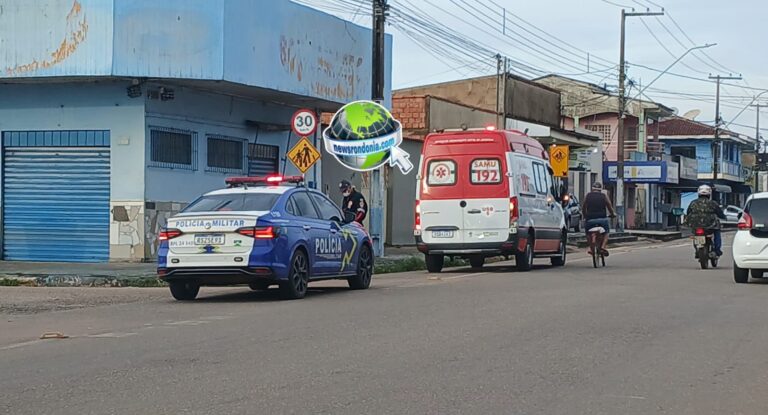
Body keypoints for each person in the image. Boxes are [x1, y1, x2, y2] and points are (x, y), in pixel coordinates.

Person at [685, 184, 725, 257]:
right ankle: (717, 250)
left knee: (695, 234)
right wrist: (724, 217)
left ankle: (697, 249)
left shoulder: (693, 203)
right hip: (711, 226)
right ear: (709, 194)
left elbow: (688, 212)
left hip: (696, 225)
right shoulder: (713, 203)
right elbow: (720, 213)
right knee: (717, 233)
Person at [582, 182, 617, 256]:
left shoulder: (587, 196)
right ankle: (603, 247)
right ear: (600, 189)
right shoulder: (604, 196)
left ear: (592, 189)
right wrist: (612, 214)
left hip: (590, 220)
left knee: (588, 233)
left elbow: (583, 207)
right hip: (602, 219)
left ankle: (591, 249)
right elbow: (609, 206)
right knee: (606, 232)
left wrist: (585, 216)